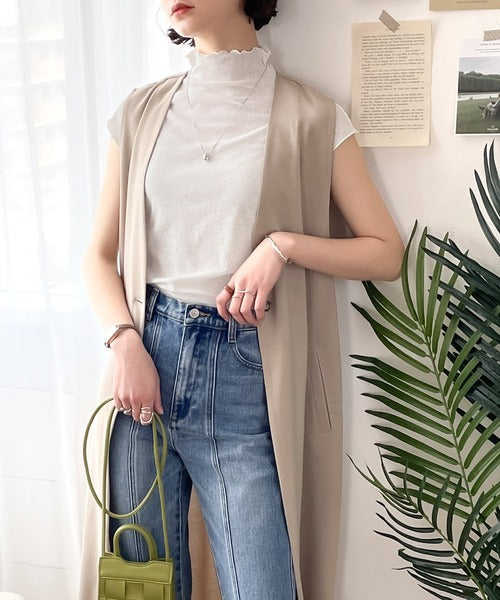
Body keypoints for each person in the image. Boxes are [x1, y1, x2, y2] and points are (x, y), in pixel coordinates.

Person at [81, 1, 404, 599]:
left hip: (243, 377)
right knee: (140, 584)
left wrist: (283, 246)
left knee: (262, 587)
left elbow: (385, 252)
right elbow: (99, 257)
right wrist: (124, 343)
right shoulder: (140, 112)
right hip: (142, 370)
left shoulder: (312, 116)